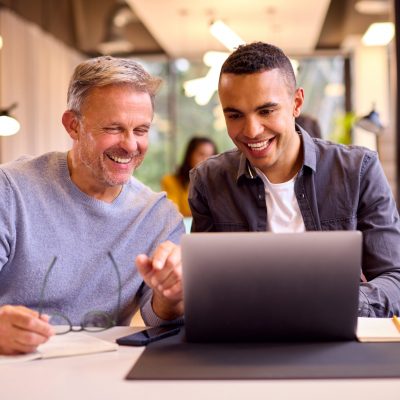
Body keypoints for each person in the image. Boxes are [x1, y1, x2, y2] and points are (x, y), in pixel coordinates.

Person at [188, 42, 400, 318]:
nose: (251, 131)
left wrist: (329, 302)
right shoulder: (208, 181)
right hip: (248, 338)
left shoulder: (358, 170)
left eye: (266, 111)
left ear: (296, 103)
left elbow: (395, 280)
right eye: (235, 115)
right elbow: (204, 286)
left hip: (337, 332)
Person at [0, 56, 184, 355]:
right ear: (73, 125)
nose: (130, 145)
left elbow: (161, 320)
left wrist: (172, 294)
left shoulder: (158, 217)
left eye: (141, 130)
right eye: (114, 128)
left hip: (101, 373)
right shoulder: (9, 189)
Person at [161, 136, 217, 217]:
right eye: (201, 154)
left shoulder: (218, 182)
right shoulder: (170, 180)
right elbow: (172, 212)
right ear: (189, 155)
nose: (206, 160)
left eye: (211, 156)